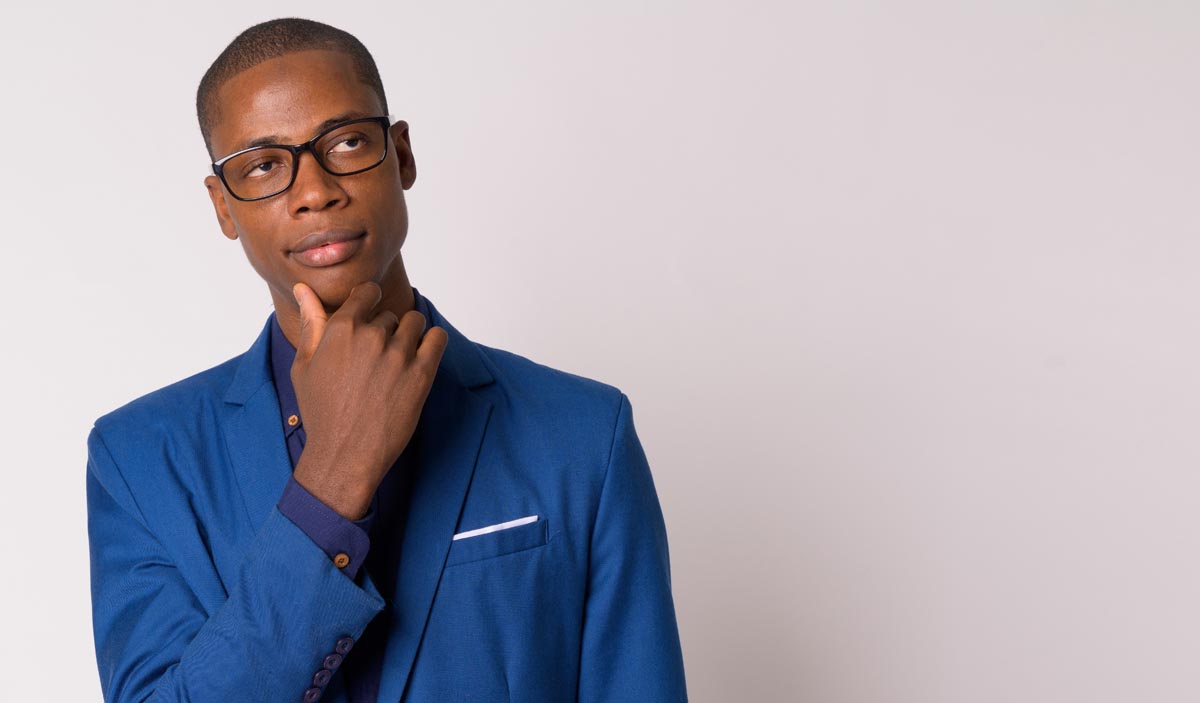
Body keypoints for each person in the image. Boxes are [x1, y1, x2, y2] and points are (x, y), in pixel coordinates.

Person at [85, 16, 687, 703]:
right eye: (263, 165)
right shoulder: (136, 460)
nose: (314, 190)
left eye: (345, 142)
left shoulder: (585, 433)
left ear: (400, 153)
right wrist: (330, 484)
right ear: (224, 206)